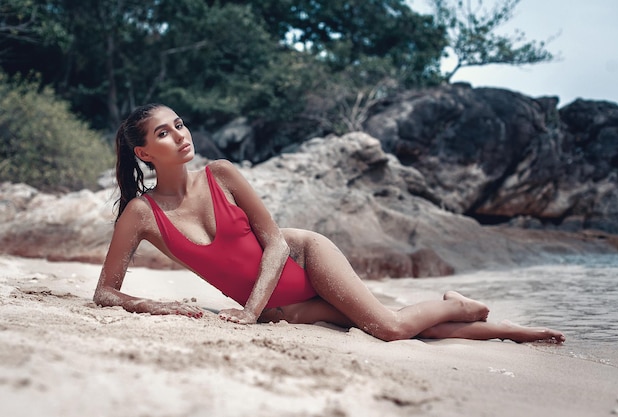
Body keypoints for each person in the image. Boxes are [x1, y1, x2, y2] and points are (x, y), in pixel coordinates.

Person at [93, 103, 565, 344]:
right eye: (163, 133)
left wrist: (251, 313)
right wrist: (157, 307)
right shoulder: (141, 214)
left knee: (390, 330)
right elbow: (106, 293)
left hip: (304, 260)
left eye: (179, 124)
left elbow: (275, 244)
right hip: (283, 309)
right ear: (143, 152)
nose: (179, 135)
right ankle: (507, 330)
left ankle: (458, 303)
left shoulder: (221, 174)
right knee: (383, 326)